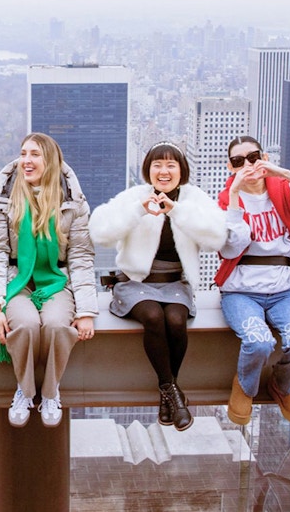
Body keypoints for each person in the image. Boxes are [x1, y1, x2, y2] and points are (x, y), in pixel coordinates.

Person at [90, 141, 227, 431]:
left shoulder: (193, 198)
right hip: (136, 282)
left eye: (170, 165)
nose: (164, 171)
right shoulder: (135, 196)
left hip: (175, 281)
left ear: (181, 170)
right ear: (148, 170)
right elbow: (100, 232)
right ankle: (173, 394)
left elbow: (217, 236)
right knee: (153, 316)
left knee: (176, 320)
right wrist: (137, 212)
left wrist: (176, 211)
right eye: (157, 165)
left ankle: (168, 395)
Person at [0, 133, 97, 428]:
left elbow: (81, 257)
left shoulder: (73, 201)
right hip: (16, 277)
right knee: (27, 324)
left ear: (50, 161)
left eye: (35, 155)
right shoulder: (3, 198)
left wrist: (86, 312)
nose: (27, 161)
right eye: (23, 154)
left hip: (56, 279)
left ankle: (50, 391)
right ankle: (25, 390)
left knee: (58, 325)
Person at [216, 136, 290, 426]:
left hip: (284, 289)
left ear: (264, 157)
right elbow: (231, 246)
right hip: (240, 290)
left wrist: (284, 173)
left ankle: (283, 384)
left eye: (253, 157)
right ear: (230, 167)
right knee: (258, 342)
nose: (248, 165)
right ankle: (246, 386)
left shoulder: (285, 191)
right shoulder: (224, 201)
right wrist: (234, 196)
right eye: (238, 162)